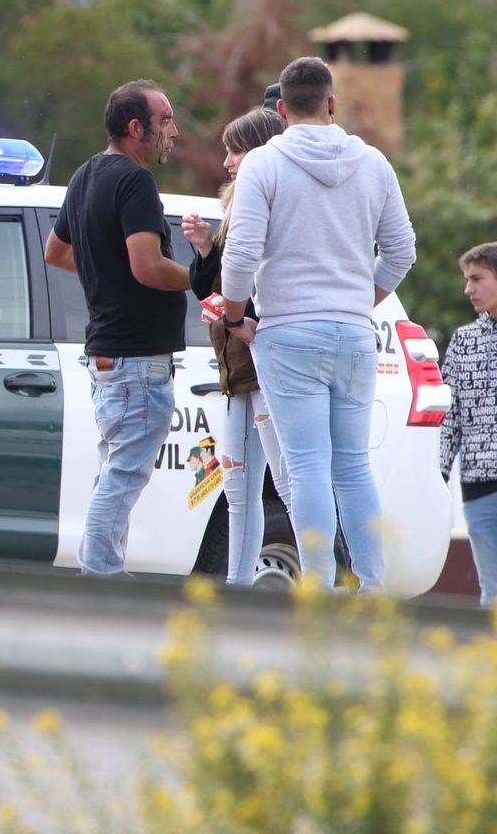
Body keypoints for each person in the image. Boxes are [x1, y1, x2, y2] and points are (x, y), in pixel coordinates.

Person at [221, 56, 417, 592]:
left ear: (280, 109)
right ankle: (373, 588)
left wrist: (236, 315)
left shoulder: (264, 164)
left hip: (286, 332)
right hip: (353, 333)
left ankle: (319, 587)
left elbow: (239, 255)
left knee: (307, 467)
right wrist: (361, 299)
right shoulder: (373, 163)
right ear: (333, 103)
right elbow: (402, 250)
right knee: (353, 467)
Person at [44, 79, 190, 577]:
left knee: (115, 473)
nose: (174, 130)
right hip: (137, 359)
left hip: (110, 356)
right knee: (124, 476)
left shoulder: (86, 174)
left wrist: (104, 268)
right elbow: (149, 268)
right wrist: (202, 277)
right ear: (137, 127)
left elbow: (55, 252)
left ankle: (104, 567)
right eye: (165, 119)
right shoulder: (134, 181)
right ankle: (100, 576)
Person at [182, 108, 293, 585]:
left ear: (263, 154)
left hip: (265, 362)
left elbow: (263, 287)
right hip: (237, 370)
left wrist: (241, 318)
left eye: (236, 151)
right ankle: (237, 587)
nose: (227, 162)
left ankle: (326, 582)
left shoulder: (278, 206)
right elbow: (216, 285)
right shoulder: (236, 207)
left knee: (290, 483)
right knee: (237, 486)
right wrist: (207, 250)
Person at [441, 242, 497, 605]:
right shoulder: (464, 341)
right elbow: (450, 419)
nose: (468, 289)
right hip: (479, 490)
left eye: (477, 279)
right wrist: (436, 476)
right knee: (491, 596)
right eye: (466, 280)